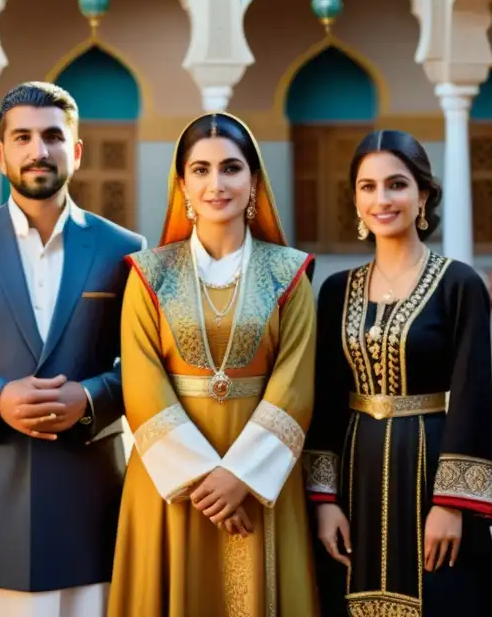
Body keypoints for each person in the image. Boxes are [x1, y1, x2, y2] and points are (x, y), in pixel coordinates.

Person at [0, 81, 146, 617]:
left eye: (53, 137)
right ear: (1, 152)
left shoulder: (125, 250)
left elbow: (145, 363)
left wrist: (90, 398)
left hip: (89, 502)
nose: (39, 151)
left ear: (75, 150)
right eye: (23, 137)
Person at [107, 112, 319, 617]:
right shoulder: (149, 273)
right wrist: (204, 478)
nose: (216, 184)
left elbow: (296, 383)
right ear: (181, 184)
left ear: (254, 182)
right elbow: (140, 384)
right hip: (171, 484)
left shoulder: (290, 273)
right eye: (200, 170)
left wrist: (242, 476)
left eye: (231, 168)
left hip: (263, 480)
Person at [305, 129, 492, 617]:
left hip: (431, 476)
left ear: (423, 195)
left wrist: (452, 504)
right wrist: (324, 500)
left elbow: (473, 397)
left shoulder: (459, 284)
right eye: (367, 186)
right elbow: (326, 400)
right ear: (355, 199)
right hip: (355, 480)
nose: (382, 199)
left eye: (396, 184)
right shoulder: (335, 291)